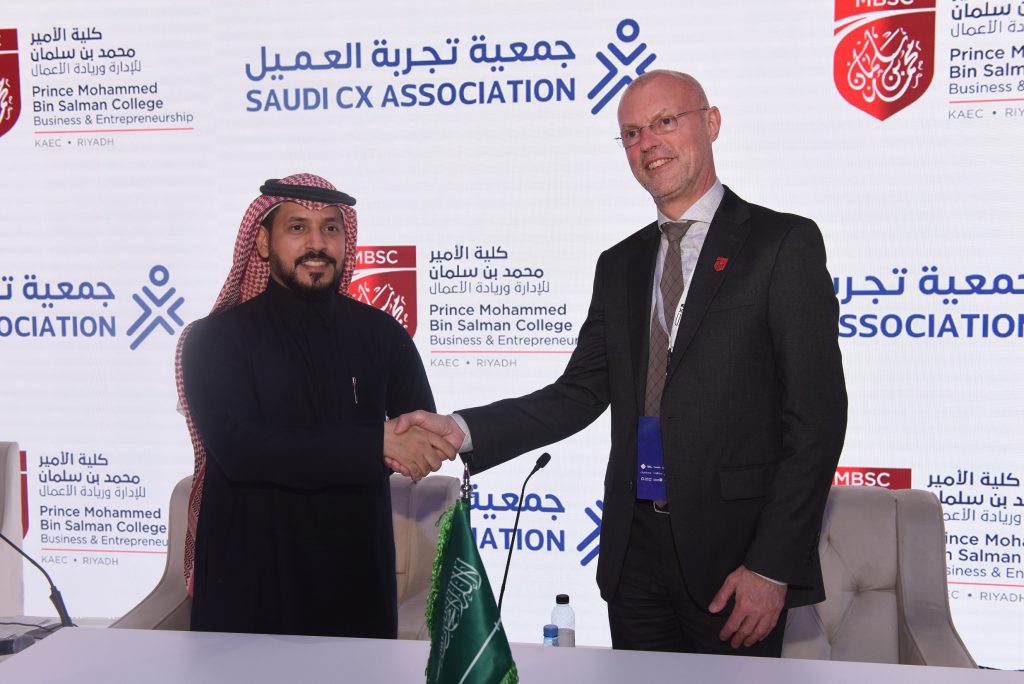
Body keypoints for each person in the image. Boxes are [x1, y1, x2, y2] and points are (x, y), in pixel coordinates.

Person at [396, 71, 847, 656]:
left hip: (735, 559)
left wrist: (771, 566)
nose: (648, 143)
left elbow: (817, 419)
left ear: (711, 123)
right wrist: (461, 429)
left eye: (666, 122)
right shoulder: (620, 264)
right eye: (632, 133)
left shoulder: (781, 243)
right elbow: (578, 393)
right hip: (634, 558)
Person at [176, 173, 451, 638]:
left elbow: (417, 436)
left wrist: (398, 445)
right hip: (250, 581)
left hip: (354, 575)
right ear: (263, 243)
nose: (317, 244)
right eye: (298, 227)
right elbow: (240, 451)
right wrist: (372, 444)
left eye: (330, 228)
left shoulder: (381, 334)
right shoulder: (214, 339)